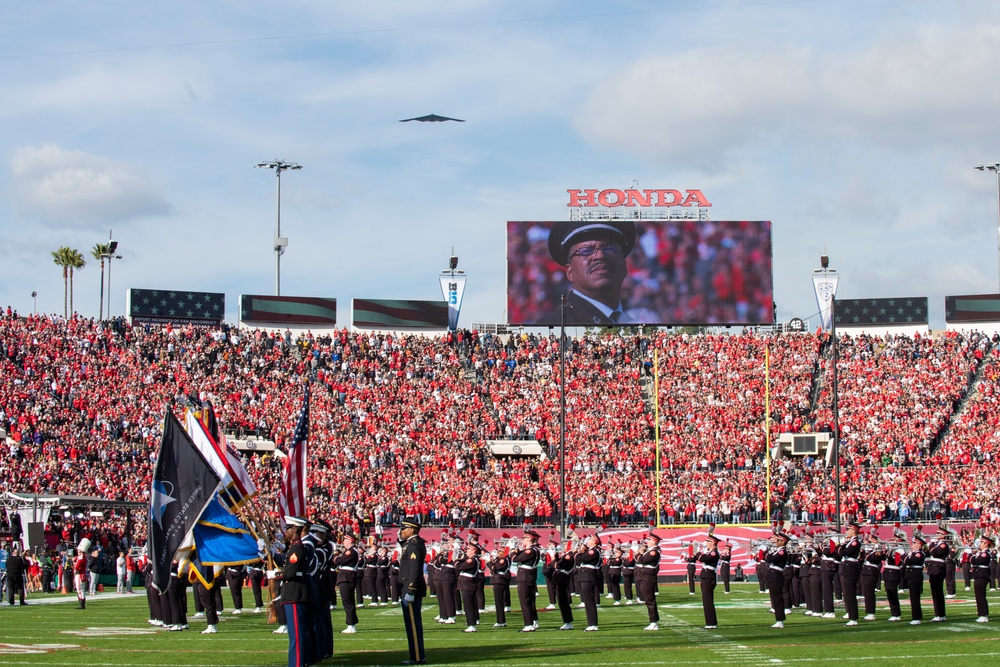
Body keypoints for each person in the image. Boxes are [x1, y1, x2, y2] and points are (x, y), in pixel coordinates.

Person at [534, 221, 641, 326]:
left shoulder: (637, 324)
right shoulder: (553, 326)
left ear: (624, 266)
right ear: (570, 272)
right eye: (586, 250)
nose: (600, 255)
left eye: (610, 248)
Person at [277, 517, 310, 667]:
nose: (286, 531)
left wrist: (276, 575)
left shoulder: (296, 547)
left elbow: (290, 573)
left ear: (295, 529)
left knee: (296, 635)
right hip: (293, 591)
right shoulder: (293, 546)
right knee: (296, 635)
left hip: (294, 592)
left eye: (289, 528)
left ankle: (296, 664)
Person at [398, 517, 427, 666]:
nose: (401, 531)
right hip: (408, 588)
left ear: (412, 530)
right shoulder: (411, 544)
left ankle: (417, 657)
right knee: (411, 625)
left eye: (404, 528)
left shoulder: (414, 546)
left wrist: (411, 590)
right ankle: (416, 655)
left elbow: (415, 570)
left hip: (410, 589)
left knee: (413, 626)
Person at [512, 530, 541, 632]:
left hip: (524, 577)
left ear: (529, 539)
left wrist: (513, 552)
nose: (523, 539)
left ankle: (528, 624)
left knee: (525, 601)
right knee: (530, 601)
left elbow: (515, 559)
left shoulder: (530, 550)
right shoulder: (535, 549)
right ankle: (533, 621)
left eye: (524, 538)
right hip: (529, 577)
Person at [334, 532, 361, 634]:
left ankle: (351, 625)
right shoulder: (351, 551)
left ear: (350, 541)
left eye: (345, 540)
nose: (344, 542)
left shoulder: (351, 551)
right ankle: (351, 623)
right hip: (347, 577)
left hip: (347, 577)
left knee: (348, 602)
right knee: (349, 602)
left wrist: (336, 558)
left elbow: (339, 561)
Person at [574, 534, 602, 631]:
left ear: (594, 542)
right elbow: (577, 560)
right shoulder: (589, 551)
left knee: (589, 601)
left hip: (588, 576)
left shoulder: (593, 551)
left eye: (590, 539)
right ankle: (591, 623)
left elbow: (582, 558)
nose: (588, 541)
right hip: (585, 576)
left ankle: (593, 624)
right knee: (587, 601)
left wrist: (581, 551)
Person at [838, 521, 862, 626]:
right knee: (847, 593)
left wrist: (842, 545)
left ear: (854, 530)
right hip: (847, 568)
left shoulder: (855, 542)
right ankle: (851, 615)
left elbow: (844, 553)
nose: (847, 531)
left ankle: (853, 618)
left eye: (849, 529)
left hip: (850, 568)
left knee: (850, 594)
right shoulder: (850, 542)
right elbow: (839, 553)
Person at [636, 532, 661, 631]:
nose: (647, 541)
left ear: (654, 542)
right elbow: (637, 559)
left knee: (649, 600)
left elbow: (641, 560)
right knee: (647, 599)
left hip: (647, 577)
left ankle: (654, 622)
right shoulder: (649, 551)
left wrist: (640, 553)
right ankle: (653, 621)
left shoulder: (653, 552)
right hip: (643, 576)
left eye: (649, 540)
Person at [766, 530, 790, 629]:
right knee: (775, 598)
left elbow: (769, 559)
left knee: (777, 599)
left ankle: (780, 620)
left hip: (776, 576)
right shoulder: (778, 550)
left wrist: (769, 554)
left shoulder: (781, 551)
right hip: (773, 575)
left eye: (779, 540)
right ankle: (779, 619)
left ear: (783, 541)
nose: (776, 541)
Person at [926, 525, 950, 622]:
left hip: (938, 568)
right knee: (935, 592)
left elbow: (934, 553)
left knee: (937, 592)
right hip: (934, 568)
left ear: (943, 535)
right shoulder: (937, 544)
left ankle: (940, 614)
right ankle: (938, 614)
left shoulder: (943, 545)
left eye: (939, 534)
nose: (937, 535)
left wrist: (931, 543)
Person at [455, 542, 481, 632]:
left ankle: (471, 625)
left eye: (469, 549)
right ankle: (472, 623)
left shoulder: (471, 560)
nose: (467, 551)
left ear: (474, 551)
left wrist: (457, 559)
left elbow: (458, 567)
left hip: (467, 584)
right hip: (468, 584)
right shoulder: (472, 559)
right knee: (470, 605)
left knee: (468, 605)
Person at [698, 534, 721, 629]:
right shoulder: (709, 552)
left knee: (708, 601)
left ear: (713, 543)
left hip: (709, 577)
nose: (706, 543)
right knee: (706, 600)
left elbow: (703, 559)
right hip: (706, 577)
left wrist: (697, 552)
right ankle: (710, 622)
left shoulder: (714, 553)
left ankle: (711, 623)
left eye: (708, 541)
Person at [972, 534, 995, 623]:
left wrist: (973, 556)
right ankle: (981, 614)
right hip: (979, 575)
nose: (980, 543)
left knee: (981, 596)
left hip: (982, 576)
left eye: (982, 542)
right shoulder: (981, 553)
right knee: (979, 596)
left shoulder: (985, 554)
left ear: (986, 544)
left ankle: (984, 615)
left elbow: (975, 561)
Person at [904, 534, 927, 625]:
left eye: (914, 543)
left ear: (919, 544)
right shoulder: (913, 553)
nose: (912, 544)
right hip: (911, 576)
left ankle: (916, 618)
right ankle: (917, 616)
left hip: (915, 576)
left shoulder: (919, 553)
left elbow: (909, 561)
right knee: (913, 597)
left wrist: (902, 555)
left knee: (915, 598)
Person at [74, 539, 91, 610]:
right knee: (82, 589)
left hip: (79, 574)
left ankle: (81, 603)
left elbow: (77, 567)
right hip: (82, 574)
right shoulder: (82, 557)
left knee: (80, 589)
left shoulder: (81, 558)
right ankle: (82, 603)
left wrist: (74, 564)